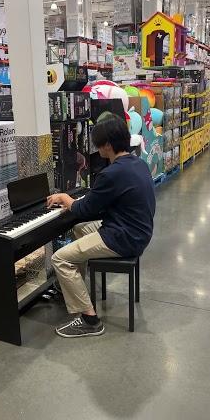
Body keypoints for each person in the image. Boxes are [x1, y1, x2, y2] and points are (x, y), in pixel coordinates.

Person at [47, 113, 156, 338]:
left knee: (59, 258)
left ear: (107, 145)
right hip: (138, 232)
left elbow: (84, 209)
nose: (97, 149)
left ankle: (89, 319)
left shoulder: (112, 173)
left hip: (123, 237)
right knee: (79, 229)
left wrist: (66, 199)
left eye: (99, 145)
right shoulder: (138, 163)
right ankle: (76, 286)